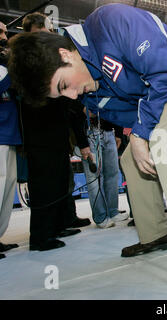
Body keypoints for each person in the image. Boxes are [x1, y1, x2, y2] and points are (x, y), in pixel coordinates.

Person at [8, 3, 167, 300]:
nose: (72, 95)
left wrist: (141, 132)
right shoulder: (90, 91)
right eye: (62, 95)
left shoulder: (111, 21)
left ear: (64, 54)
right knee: (132, 157)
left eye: (64, 85)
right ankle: (156, 233)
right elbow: (128, 115)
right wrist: (139, 135)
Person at [20, 12, 90, 252]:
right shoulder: (29, 63)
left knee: (59, 181)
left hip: (56, 132)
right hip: (40, 134)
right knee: (44, 185)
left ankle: (58, 224)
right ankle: (41, 236)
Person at [81, 114, 128, 228]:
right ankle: (101, 216)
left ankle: (113, 212)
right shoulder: (76, 96)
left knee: (112, 173)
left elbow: (114, 108)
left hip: (109, 131)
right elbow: (74, 114)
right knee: (95, 177)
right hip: (89, 132)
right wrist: (82, 143)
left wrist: (118, 133)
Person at [0, 21, 20, 259]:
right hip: (1, 134)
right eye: (0, 32)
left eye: (5, 32)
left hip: (10, 132)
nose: (5, 36)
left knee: (7, 186)